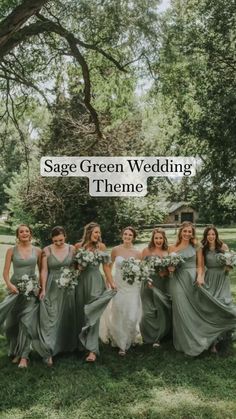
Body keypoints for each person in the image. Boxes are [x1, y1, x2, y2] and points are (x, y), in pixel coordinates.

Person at [169, 221, 236, 356]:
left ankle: (204, 338)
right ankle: (185, 341)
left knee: (195, 309)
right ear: (180, 232)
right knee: (181, 309)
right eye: (185, 231)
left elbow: (200, 265)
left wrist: (200, 276)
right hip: (178, 280)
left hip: (194, 279)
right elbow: (170, 267)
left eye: (190, 232)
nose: (187, 234)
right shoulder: (172, 248)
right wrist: (170, 268)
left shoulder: (197, 246)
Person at [0, 224, 41, 368]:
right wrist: (10, 285)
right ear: (18, 235)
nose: (24, 233)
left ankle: (24, 356)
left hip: (30, 291)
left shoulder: (37, 251)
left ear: (31, 234)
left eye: (27, 231)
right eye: (21, 231)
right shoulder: (11, 251)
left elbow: (42, 272)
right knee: (11, 324)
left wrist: (40, 289)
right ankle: (16, 351)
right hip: (15, 290)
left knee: (26, 322)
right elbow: (5, 272)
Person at [75, 222, 116, 362]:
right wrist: (78, 268)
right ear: (89, 233)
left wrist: (112, 283)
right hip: (80, 283)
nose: (98, 235)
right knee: (81, 312)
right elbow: (73, 267)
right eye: (96, 232)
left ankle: (92, 350)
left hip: (96, 282)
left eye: (99, 233)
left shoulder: (101, 247)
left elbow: (106, 268)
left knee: (93, 313)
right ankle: (81, 343)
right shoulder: (78, 247)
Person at [35, 226, 77, 366]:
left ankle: (66, 347)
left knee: (67, 315)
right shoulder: (46, 250)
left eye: (61, 240)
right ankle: (48, 351)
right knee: (51, 317)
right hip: (52, 286)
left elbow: (75, 268)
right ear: (51, 239)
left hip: (68, 286)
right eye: (55, 241)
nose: (58, 243)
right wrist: (43, 289)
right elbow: (44, 271)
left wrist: (72, 278)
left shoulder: (72, 249)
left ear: (65, 236)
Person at [100, 226, 142, 356]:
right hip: (119, 285)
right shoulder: (116, 250)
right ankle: (121, 343)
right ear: (122, 235)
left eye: (130, 235)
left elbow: (140, 270)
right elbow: (109, 266)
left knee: (132, 314)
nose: (127, 236)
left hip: (132, 287)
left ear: (133, 237)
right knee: (119, 311)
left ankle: (131, 336)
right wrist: (109, 280)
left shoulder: (137, 253)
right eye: (125, 234)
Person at [197, 225, 235, 352]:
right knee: (211, 308)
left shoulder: (223, 247)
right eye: (208, 234)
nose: (211, 236)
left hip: (222, 279)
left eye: (213, 234)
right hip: (209, 279)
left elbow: (229, 266)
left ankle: (223, 335)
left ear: (216, 235)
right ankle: (212, 341)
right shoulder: (203, 248)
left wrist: (228, 266)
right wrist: (200, 277)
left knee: (223, 304)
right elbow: (201, 266)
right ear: (205, 236)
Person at [140, 228, 171, 347]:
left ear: (164, 239)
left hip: (163, 283)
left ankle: (160, 336)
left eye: (160, 238)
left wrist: (166, 273)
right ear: (152, 239)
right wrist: (147, 280)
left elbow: (171, 270)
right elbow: (141, 268)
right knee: (148, 311)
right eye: (156, 238)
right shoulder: (146, 251)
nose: (158, 240)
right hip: (148, 283)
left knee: (161, 309)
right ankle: (149, 335)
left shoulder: (167, 251)